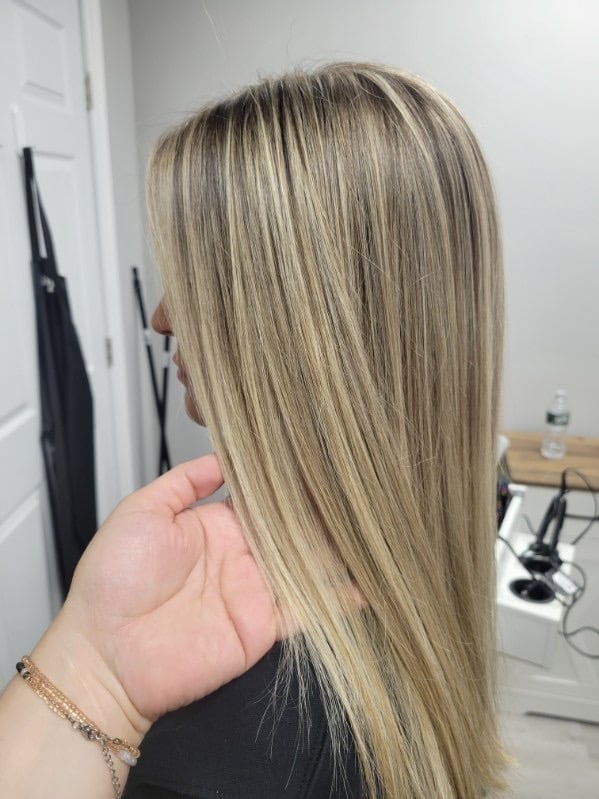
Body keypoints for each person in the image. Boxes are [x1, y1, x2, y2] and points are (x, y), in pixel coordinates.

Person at [0, 62, 507, 798]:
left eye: (198, 281)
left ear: (302, 331)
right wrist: (94, 664)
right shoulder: (420, 594)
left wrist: (91, 678)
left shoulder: (216, 755)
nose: (161, 317)